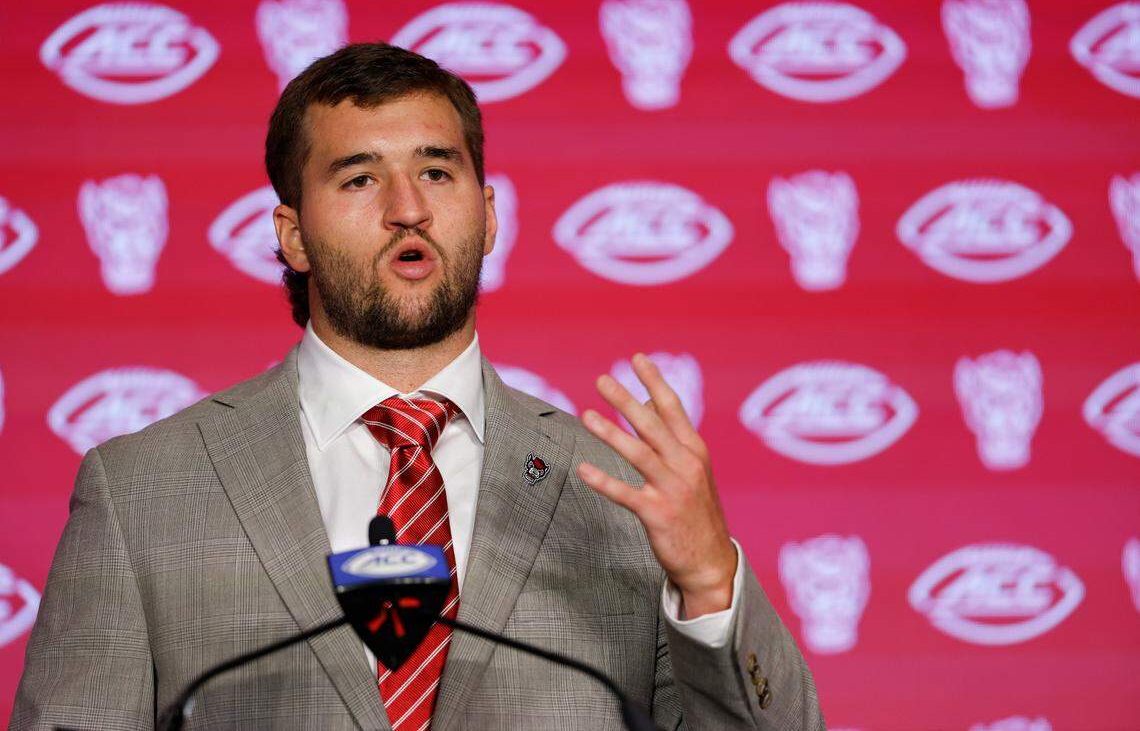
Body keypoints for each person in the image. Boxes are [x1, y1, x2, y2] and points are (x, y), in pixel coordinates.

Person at [13, 42, 825, 731]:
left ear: (489, 213)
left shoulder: (619, 499)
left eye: (437, 171)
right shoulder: (143, 490)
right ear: (292, 234)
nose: (408, 209)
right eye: (360, 179)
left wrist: (710, 581)